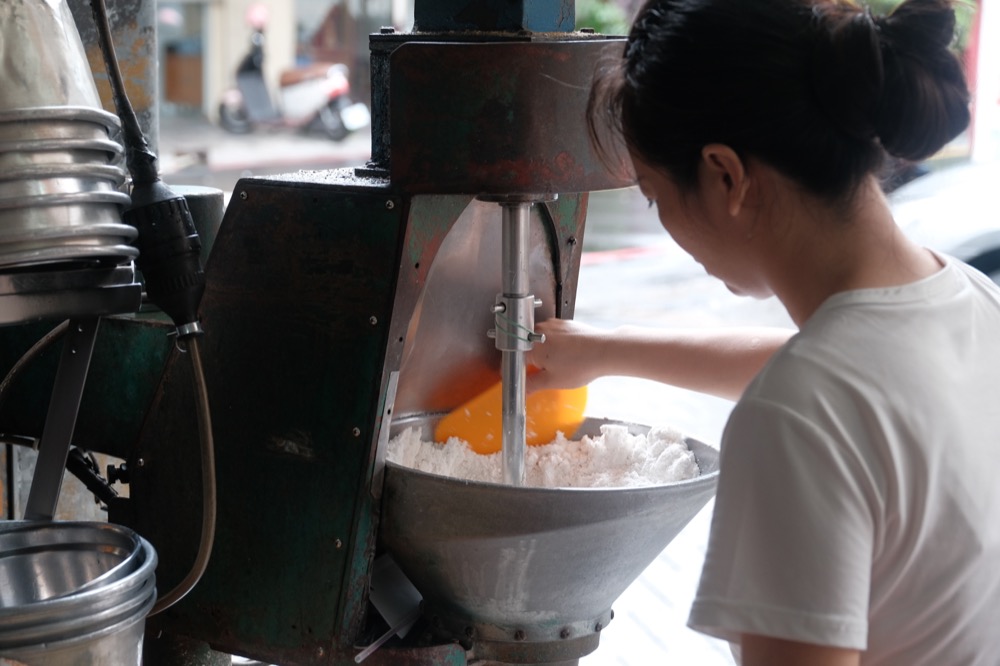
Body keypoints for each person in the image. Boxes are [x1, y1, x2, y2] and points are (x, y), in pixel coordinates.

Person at [526, 0, 1000, 664]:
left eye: (656, 194)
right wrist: (601, 351)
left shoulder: (799, 413)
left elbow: (808, 392)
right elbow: (821, 374)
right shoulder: (971, 301)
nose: (663, 220)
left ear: (725, 176)